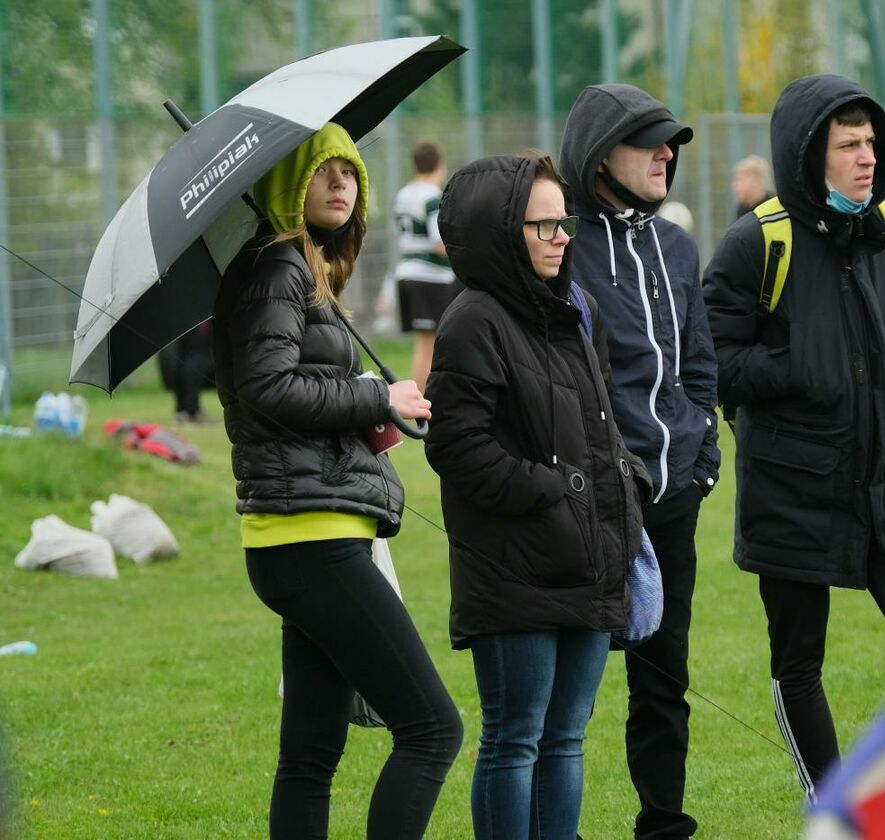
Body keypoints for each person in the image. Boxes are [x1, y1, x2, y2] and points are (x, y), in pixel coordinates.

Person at [703, 75, 885, 801]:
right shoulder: (757, 243)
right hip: (793, 487)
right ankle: (832, 803)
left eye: (871, 142)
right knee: (798, 662)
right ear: (810, 155)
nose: (866, 158)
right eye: (848, 145)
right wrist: (792, 368)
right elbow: (712, 360)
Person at [212, 123, 462, 839]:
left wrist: (368, 399)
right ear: (288, 185)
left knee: (311, 755)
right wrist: (372, 397)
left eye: (349, 170)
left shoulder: (301, 268)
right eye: (321, 171)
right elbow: (269, 390)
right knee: (432, 729)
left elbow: (294, 385)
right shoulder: (277, 267)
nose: (340, 183)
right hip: (310, 537)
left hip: (305, 532)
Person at [424, 152, 649, 839]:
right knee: (515, 738)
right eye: (541, 225)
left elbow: (598, 423)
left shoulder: (572, 312)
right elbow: (456, 447)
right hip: (516, 567)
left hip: (586, 556)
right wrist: (551, 492)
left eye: (564, 223)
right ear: (499, 232)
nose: (560, 237)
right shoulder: (473, 321)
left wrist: (620, 483)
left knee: (566, 739)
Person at [559, 84, 720, 840]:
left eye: (673, 141)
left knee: (664, 682)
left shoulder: (678, 247)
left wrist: (702, 459)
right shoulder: (557, 245)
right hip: (590, 502)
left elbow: (700, 366)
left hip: (674, 498)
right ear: (598, 158)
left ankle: (663, 825)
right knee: (568, 689)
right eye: (650, 140)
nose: (667, 153)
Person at [374, 140, 459, 388]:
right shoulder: (433, 196)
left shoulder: (402, 194)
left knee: (423, 345)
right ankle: (422, 402)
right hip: (430, 277)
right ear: (440, 165)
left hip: (405, 274)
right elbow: (438, 242)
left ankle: (421, 399)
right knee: (429, 346)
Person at [732, 154, 774, 219]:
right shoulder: (742, 209)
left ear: (755, 182)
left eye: (740, 179)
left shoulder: (773, 208)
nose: (734, 185)